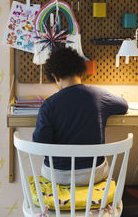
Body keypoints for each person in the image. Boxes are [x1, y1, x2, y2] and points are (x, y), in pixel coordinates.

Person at [33, 47, 128, 186]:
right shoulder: (98, 95)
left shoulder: (48, 105)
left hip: (57, 175)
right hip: (93, 174)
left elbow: (40, 143)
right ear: (80, 71)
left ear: (55, 77)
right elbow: (123, 106)